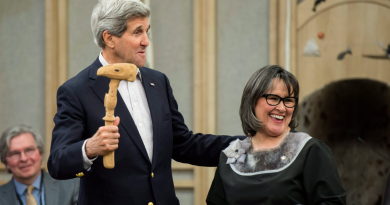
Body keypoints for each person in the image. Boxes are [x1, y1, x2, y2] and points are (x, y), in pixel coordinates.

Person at [47, 0, 241, 204]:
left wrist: (248, 146)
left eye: (147, 31)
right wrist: (89, 148)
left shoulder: (158, 81)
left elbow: (184, 145)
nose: (146, 41)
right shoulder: (76, 90)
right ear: (109, 38)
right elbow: (57, 163)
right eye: (137, 32)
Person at [206, 65, 346, 204]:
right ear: (252, 101)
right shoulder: (231, 157)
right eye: (273, 98)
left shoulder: (311, 151)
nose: (282, 108)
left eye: (288, 101)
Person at [0, 125, 79, 205]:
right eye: (15, 153)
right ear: (5, 161)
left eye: (29, 150)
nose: (23, 159)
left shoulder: (72, 187)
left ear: (40, 153)